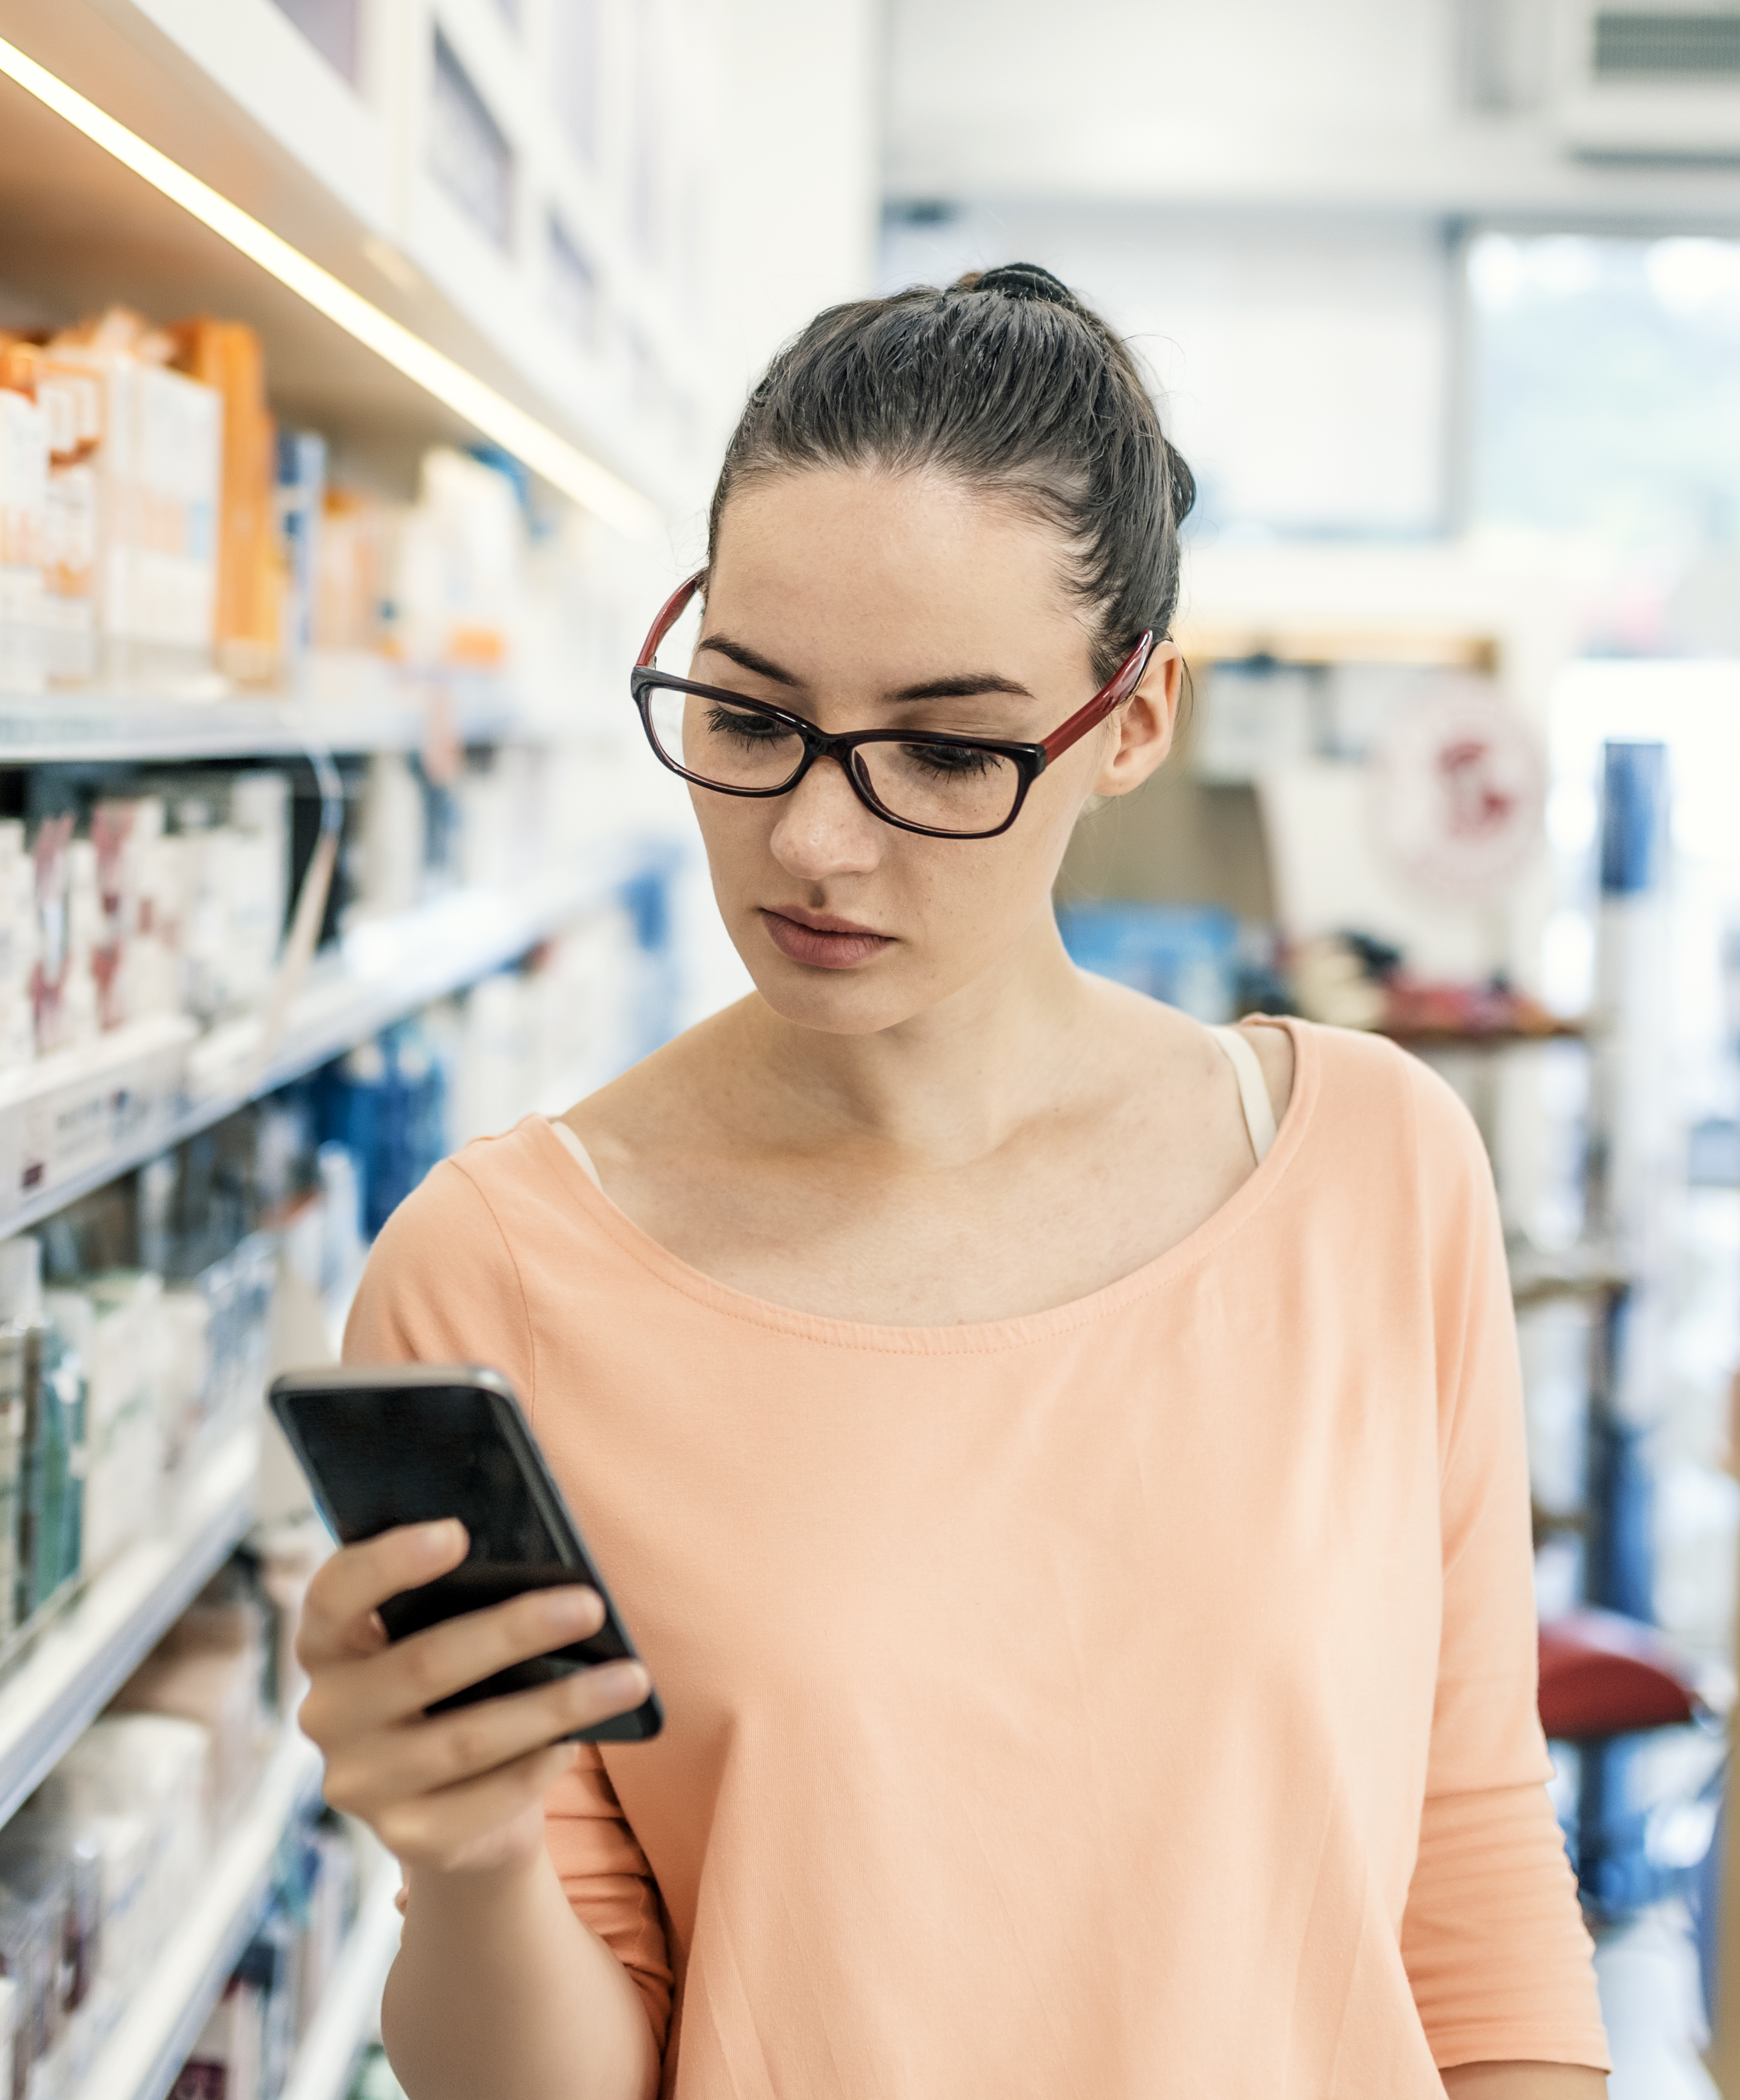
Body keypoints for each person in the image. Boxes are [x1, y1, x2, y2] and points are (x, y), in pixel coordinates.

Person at [295, 265, 1612, 2098]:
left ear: (1131, 720)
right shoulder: (502, 1269)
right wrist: (467, 1853)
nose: (813, 838)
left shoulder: (1373, 1173)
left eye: (943, 748)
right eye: (749, 715)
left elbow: (1469, 1862)